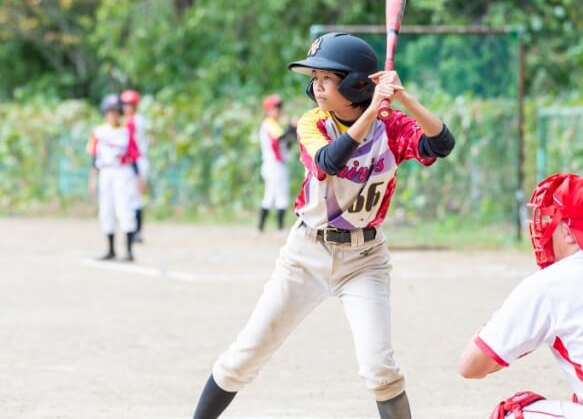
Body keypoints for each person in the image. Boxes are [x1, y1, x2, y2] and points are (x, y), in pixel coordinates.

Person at [192, 32, 455, 419]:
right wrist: (371, 111)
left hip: (364, 260)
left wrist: (401, 98)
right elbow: (330, 160)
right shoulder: (312, 123)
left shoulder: (392, 126)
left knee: (380, 370)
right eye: (314, 79)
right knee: (244, 358)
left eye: (326, 79)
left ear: (355, 83)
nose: (316, 87)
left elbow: (441, 143)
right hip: (306, 256)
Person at [459, 173, 583, 419]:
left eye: (550, 219)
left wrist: (497, 331)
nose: (543, 228)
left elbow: (471, 365)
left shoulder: (552, 283)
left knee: (513, 413)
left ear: (568, 231)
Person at [87, 94, 142, 262]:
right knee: (106, 209)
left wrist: (138, 176)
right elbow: (95, 156)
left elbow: (133, 156)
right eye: (109, 112)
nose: (112, 115)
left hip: (122, 172)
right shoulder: (99, 132)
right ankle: (110, 249)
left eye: (115, 111)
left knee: (124, 208)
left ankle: (129, 251)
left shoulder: (126, 132)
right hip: (106, 172)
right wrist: (92, 177)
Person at [257, 93, 296, 232]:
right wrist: (292, 127)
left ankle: (260, 227)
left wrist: (292, 130)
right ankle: (279, 228)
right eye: (276, 107)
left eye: (280, 107)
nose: (279, 110)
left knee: (270, 195)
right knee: (281, 196)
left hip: (274, 165)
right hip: (274, 165)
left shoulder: (274, 124)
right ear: (268, 110)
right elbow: (281, 138)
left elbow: (286, 143)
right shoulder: (269, 123)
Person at [120, 89, 149, 243]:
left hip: (139, 160)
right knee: (127, 196)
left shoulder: (137, 121)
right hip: (127, 162)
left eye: (130, 104)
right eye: (124, 104)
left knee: (136, 196)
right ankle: (130, 229)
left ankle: (137, 232)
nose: (127, 107)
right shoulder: (123, 120)